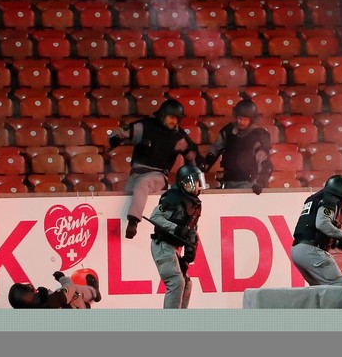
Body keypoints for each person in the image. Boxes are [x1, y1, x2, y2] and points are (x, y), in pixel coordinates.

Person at [107, 99, 197, 240]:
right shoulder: (145, 126)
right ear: (162, 115)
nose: (175, 121)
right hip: (136, 173)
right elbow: (122, 133)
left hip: (158, 175)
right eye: (172, 117)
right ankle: (119, 238)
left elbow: (193, 158)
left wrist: (196, 174)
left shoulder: (179, 137)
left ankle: (133, 222)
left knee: (143, 183)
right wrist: (115, 138)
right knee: (125, 197)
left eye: (177, 119)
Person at [148, 164, 206, 309]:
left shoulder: (195, 204)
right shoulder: (172, 198)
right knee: (175, 281)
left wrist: (190, 249)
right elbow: (155, 217)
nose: (198, 186)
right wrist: (175, 228)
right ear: (185, 183)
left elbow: (192, 227)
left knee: (186, 282)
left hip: (174, 247)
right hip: (162, 244)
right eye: (195, 182)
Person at [290, 175, 342, 287]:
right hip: (311, 251)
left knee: (321, 290)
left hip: (298, 250)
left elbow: (311, 229)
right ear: (341, 190)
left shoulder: (315, 198)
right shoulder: (330, 200)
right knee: (340, 287)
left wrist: (336, 243)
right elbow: (322, 224)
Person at [198, 98, 273, 193]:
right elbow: (215, 149)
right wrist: (203, 166)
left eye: (245, 120)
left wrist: (260, 182)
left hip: (249, 182)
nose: (241, 122)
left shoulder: (259, 135)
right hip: (228, 180)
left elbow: (263, 160)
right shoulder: (228, 130)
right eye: (239, 118)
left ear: (252, 120)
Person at [6, 269, 101, 309]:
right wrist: (62, 278)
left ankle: (83, 304)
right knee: (74, 291)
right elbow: (69, 288)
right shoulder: (52, 300)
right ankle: (94, 292)